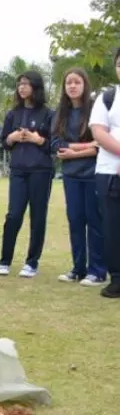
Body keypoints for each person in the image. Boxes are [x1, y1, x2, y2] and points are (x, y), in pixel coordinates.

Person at [0, 70, 54, 278]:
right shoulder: (13, 114)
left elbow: (53, 145)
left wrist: (37, 140)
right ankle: (5, 260)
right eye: (19, 84)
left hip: (41, 170)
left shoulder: (48, 114)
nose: (22, 87)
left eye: (26, 84)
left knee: (38, 216)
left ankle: (32, 262)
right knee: (13, 215)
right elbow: (3, 143)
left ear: (36, 87)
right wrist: (12, 137)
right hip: (18, 170)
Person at [52, 68, 105, 286]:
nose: (72, 86)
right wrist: (84, 146)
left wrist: (74, 152)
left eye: (77, 82)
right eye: (68, 83)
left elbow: (101, 145)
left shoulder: (96, 109)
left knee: (95, 222)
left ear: (85, 85)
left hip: (93, 174)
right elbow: (55, 145)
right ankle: (78, 268)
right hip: (71, 176)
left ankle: (98, 271)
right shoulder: (61, 113)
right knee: (75, 221)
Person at [88, 47, 120, 299]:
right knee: (112, 226)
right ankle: (117, 278)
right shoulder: (107, 97)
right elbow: (98, 132)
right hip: (110, 172)